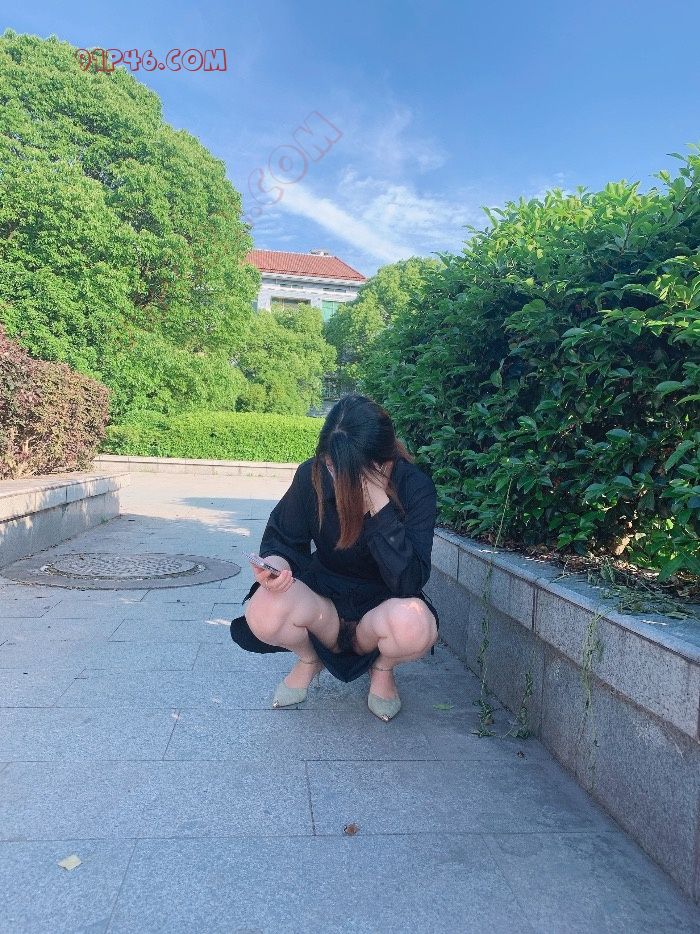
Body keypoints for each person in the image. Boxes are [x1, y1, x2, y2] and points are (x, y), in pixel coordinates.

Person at [229, 393, 440, 722]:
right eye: (330, 465)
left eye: (349, 472)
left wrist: (379, 504)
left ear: (384, 463)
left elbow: (408, 582)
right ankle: (310, 658)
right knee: (263, 610)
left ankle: (382, 668)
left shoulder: (415, 487)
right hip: (324, 601)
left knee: (415, 624)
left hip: (382, 608)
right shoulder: (312, 476)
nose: (337, 479)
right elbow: (284, 539)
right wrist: (276, 569)